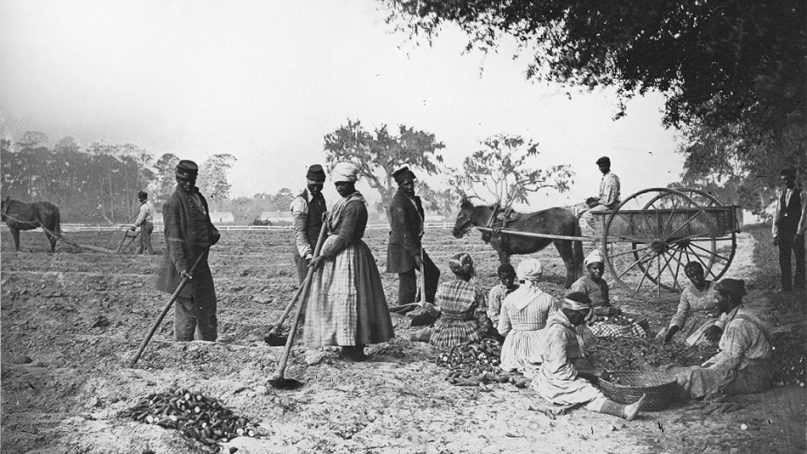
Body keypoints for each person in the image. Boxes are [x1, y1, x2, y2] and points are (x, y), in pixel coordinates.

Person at [304, 162, 394, 361]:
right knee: (339, 301)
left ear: (352, 183)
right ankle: (345, 345)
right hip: (338, 255)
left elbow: (344, 237)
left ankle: (354, 347)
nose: (340, 188)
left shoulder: (355, 205)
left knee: (351, 300)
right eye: (337, 184)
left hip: (348, 255)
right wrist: (329, 218)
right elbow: (338, 225)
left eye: (343, 184)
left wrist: (323, 255)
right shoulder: (345, 202)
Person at [532, 292, 645, 420]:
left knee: (593, 381)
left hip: (562, 367)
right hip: (555, 377)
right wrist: (591, 373)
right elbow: (559, 368)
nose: (584, 319)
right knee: (589, 391)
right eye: (582, 315)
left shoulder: (565, 325)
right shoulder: (558, 331)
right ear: (572, 311)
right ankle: (623, 411)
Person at [671, 279, 773, 399]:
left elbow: (730, 361)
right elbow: (728, 354)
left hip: (754, 377)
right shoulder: (740, 312)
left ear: (728, 299)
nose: (714, 302)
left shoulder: (738, 325)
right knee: (697, 372)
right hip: (755, 370)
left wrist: (705, 373)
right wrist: (705, 365)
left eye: (718, 298)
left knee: (696, 377)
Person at [156, 160, 221, 341]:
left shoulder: (199, 199)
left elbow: (207, 224)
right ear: (177, 178)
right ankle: (182, 349)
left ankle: (208, 346)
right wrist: (182, 267)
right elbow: (173, 240)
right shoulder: (173, 204)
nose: (187, 184)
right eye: (183, 181)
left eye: (191, 181)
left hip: (201, 265)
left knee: (207, 306)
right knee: (187, 309)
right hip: (184, 268)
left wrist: (212, 234)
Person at [386, 166, 440, 305]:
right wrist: (416, 255)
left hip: (413, 244)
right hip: (401, 247)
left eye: (411, 183)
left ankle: (426, 304)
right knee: (408, 282)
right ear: (400, 185)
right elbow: (404, 232)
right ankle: (404, 309)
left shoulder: (413, 199)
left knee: (432, 272)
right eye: (406, 184)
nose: (410, 186)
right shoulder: (398, 203)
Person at [498, 259, 559, 374]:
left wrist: (518, 332)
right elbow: (554, 330)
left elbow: (502, 330)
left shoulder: (509, 299)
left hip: (513, 351)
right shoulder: (547, 299)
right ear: (539, 276)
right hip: (540, 349)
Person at [571, 250, 646, 338]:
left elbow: (606, 303)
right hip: (590, 319)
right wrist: (602, 311)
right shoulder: (581, 284)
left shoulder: (602, 283)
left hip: (607, 315)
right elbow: (577, 309)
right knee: (619, 330)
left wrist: (613, 309)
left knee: (641, 319)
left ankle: (651, 338)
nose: (598, 271)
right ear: (587, 269)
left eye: (600, 268)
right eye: (594, 268)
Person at [429, 253, 491, 350]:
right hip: (467, 333)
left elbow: (439, 310)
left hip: (443, 334)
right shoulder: (475, 290)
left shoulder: (443, 287)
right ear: (470, 269)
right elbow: (483, 320)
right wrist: (485, 332)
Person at [657, 262, 721, 346]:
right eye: (692, 276)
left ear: (702, 273)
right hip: (697, 324)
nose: (696, 278)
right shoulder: (687, 292)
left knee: (712, 341)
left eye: (698, 274)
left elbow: (728, 309)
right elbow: (681, 313)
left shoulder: (717, 288)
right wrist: (672, 330)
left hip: (716, 321)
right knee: (678, 339)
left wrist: (719, 325)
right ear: (689, 278)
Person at [290, 164, 328, 283]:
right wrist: (308, 255)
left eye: (319, 185)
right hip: (306, 252)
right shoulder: (300, 202)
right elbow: (299, 232)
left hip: (319, 249)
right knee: (307, 286)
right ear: (307, 181)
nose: (316, 189)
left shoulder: (320, 198)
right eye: (313, 185)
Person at [772, 168, 806, 293]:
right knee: (784, 260)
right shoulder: (782, 195)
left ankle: (799, 287)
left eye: (787, 180)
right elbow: (777, 214)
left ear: (793, 179)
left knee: (799, 259)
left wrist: (799, 232)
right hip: (783, 230)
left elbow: (804, 215)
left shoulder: (802, 194)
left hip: (795, 231)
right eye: (783, 180)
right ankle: (786, 288)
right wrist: (775, 234)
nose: (785, 182)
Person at [487, 263, 519, 327]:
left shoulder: (519, 290)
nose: (508, 280)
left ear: (514, 276)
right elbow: (494, 316)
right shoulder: (495, 292)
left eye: (510, 277)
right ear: (500, 278)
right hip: (502, 325)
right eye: (504, 278)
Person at [131, 190, 155, 254]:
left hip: (146, 225)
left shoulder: (144, 207)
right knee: (142, 239)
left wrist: (135, 225)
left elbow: (141, 218)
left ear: (142, 198)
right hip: (150, 224)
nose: (139, 199)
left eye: (139, 198)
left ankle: (150, 253)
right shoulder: (149, 205)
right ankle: (139, 253)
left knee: (145, 240)